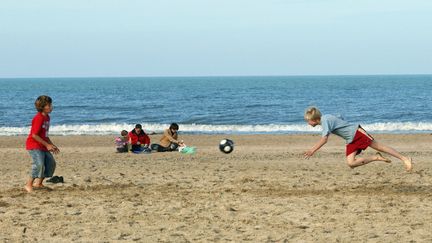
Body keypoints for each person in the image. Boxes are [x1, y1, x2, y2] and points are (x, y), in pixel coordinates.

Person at [303, 106, 413, 171]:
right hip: (350, 139)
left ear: (314, 119)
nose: (308, 123)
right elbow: (340, 117)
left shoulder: (325, 120)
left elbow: (324, 139)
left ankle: (404, 158)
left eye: (308, 121)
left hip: (357, 133)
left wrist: (312, 150)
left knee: (380, 147)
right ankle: (375, 158)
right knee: (351, 163)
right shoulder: (326, 118)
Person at [25, 95, 60, 193]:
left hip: (43, 145)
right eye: (49, 105)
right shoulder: (38, 118)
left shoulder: (47, 117)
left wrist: (52, 145)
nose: (51, 107)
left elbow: (45, 135)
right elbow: (34, 135)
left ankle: (39, 183)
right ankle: (28, 184)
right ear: (43, 107)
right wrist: (47, 145)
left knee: (51, 163)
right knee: (39, 164)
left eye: (51, 104)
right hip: (34, 145)